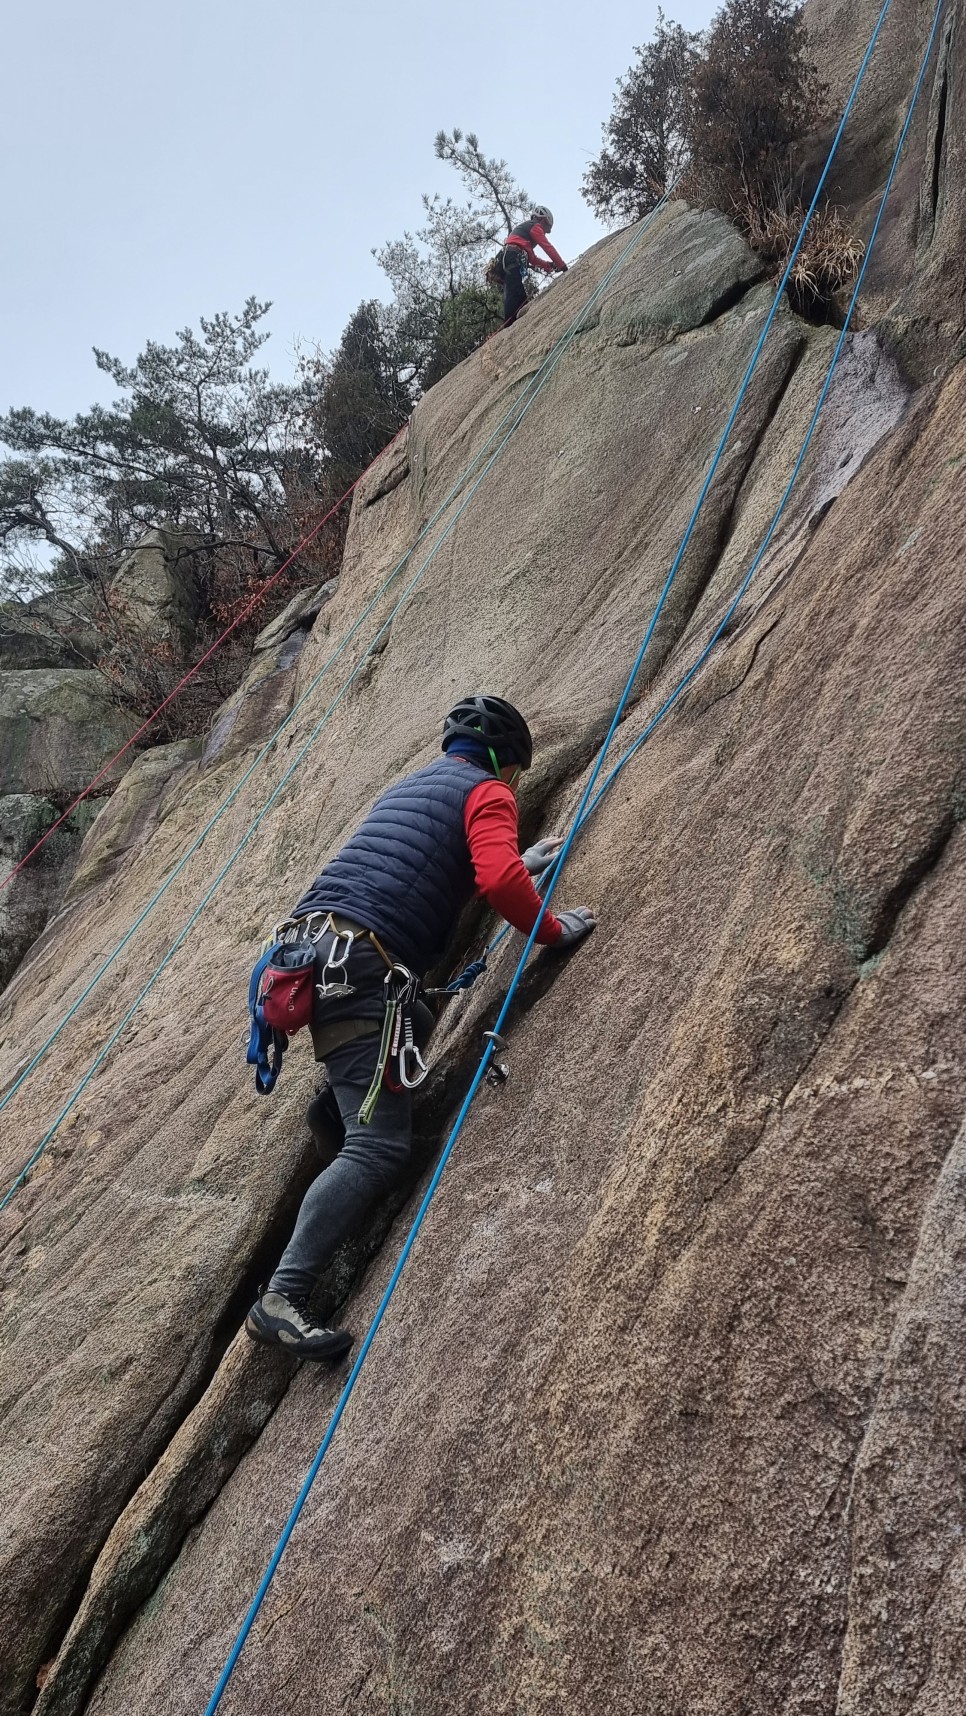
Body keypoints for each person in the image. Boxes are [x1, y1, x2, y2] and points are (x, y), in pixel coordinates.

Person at [246, 695, 596, 1361]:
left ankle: (337, 1119)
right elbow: (493, 876)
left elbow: (422, 874)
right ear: (507, 762)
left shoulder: (415, 789)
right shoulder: (488, 791)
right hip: (359, 966)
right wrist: (550, 930)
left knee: (418, 1020)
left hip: (309, 954)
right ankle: (281, 1296)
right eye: (516, 775)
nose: (514, 787)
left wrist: (526, 865)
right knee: (379, 1149)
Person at [502, 205, 568, 326]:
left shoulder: (524, 234)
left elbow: (532, 258)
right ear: (543, 220)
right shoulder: (535, 226)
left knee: (514, 289)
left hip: (510, 257)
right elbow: (547, 247)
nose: (544, 233)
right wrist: (562, 266)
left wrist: (548, 265)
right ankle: (508, 323)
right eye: (547, 228)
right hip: (513, 257)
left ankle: (510, 322)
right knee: (517, 293)